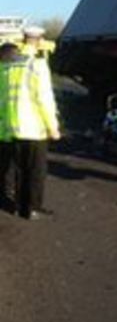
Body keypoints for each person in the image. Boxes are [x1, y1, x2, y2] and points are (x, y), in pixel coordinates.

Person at [7, 27, 60, 220]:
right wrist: (53, 126)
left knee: (18, 168)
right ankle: (31, 209)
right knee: (36, 170)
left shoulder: (9, 64)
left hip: (12, 126)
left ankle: (16, 205)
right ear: (39, 41)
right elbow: (44, 98)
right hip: (34, 128)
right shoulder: (37, 64)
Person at [0, 42, 21, 210]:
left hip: (7, 128)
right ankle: (8, 197)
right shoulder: (10, 74)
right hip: (10, 130)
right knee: (10, 166)